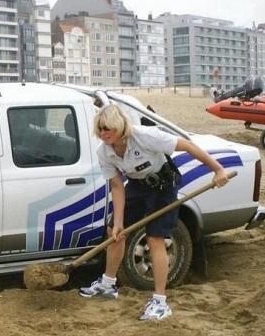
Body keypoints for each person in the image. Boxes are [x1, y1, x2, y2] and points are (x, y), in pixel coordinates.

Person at [79, 104, 229, 320]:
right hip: (138, 186)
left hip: (163, 186)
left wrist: (218, 170)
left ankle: (160, 302)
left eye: (107, 128)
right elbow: (117, 186)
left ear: (119, 126)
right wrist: (120, 220)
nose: (103, 133)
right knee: (115, 232)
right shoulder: (105, 152)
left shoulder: (145, 136)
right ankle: (108, 285)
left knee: (155, 239)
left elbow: (187, 145)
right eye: (100, 129)